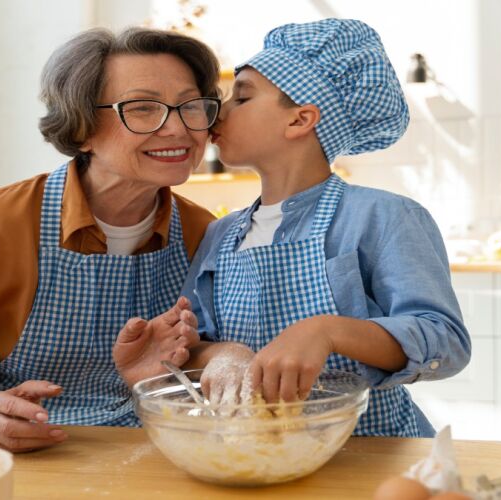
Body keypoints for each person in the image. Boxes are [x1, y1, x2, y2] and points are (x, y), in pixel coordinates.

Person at [0, 27, 219, 452]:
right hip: (1, 454)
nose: (178, 129)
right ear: (81, 129)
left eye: (191, 106)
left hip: (146, 451)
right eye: (143, 108)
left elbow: (201, 362)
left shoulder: (203, 232)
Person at [175, 18, 470, 437]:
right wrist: (224, 353)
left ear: (300, 120)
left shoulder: (383, 216)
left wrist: (326, 330)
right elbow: (190, 344)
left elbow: (444, 340)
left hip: (376, 449)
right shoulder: (220, 235)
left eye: (241, 97)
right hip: (255, 451)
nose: (217, 112)